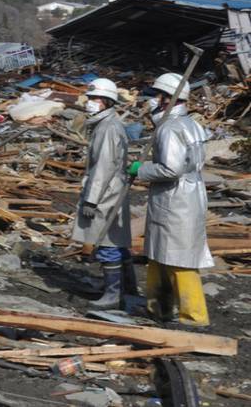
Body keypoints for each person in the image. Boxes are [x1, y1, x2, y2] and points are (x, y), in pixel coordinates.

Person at [127, 72, 211, 326]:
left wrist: (140, 169)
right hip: (186, 195)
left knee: (179, 258)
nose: (153, 100)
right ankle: (157, 307)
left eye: (157, 95)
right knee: (159, 254)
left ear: (166, 98)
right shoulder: (191, 124)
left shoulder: (170, 129)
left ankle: (194, 316)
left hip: (176, 200)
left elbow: (170, 169)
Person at [71, 78, 134, 310]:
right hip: (111, 189)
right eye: (89, 98)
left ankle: (113, 294)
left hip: (106, 193)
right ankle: (127, 287)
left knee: (106, 241)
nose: (90, 103)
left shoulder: (108, 128)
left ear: (107, 102)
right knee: (117, 242)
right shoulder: (106, 124)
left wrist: (91, 199)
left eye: (95, 99)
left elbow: (103, 167)